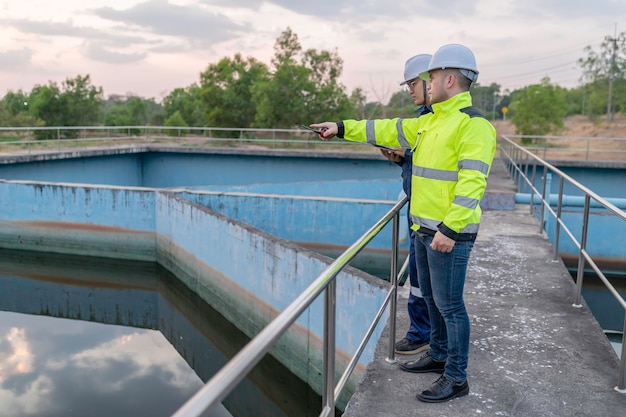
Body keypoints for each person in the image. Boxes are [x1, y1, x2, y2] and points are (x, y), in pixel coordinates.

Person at [311, 43, 496, 403]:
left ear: (450, 78)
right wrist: (340, 127)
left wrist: (450, 230)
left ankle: (456, 376)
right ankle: (439, 355)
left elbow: (472, 183)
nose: (427, 84)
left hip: (448, 235)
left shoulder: (474, 126)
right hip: (424, 229)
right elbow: (385, 129)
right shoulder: (429, 122)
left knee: (451, 306)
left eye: (431, 77)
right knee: (431, 298)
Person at [380, 54, 432, 356]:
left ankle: (423, 335)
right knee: (418, 279)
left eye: (413, 83)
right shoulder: (422, 119)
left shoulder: (440, 120)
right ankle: (423, 333)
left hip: (431, 215)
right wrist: (402, 157)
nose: (409, 90)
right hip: (418, 209)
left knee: (425, 282)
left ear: (432, 80)